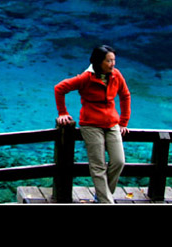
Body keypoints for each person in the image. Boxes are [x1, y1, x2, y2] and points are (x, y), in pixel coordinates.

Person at [54, 45, 131, 203]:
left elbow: (125, 95)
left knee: (119, 161)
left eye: (114, 60)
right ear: (98, 62)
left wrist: (124, 122)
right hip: (91, 124)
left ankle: (103, 195)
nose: (113, 64)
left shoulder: (116, 75)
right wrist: (62, 112)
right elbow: (59, 88)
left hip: (112, 123)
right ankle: (106, 201)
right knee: (98, 166)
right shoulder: (86, 78)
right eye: (109, 61)